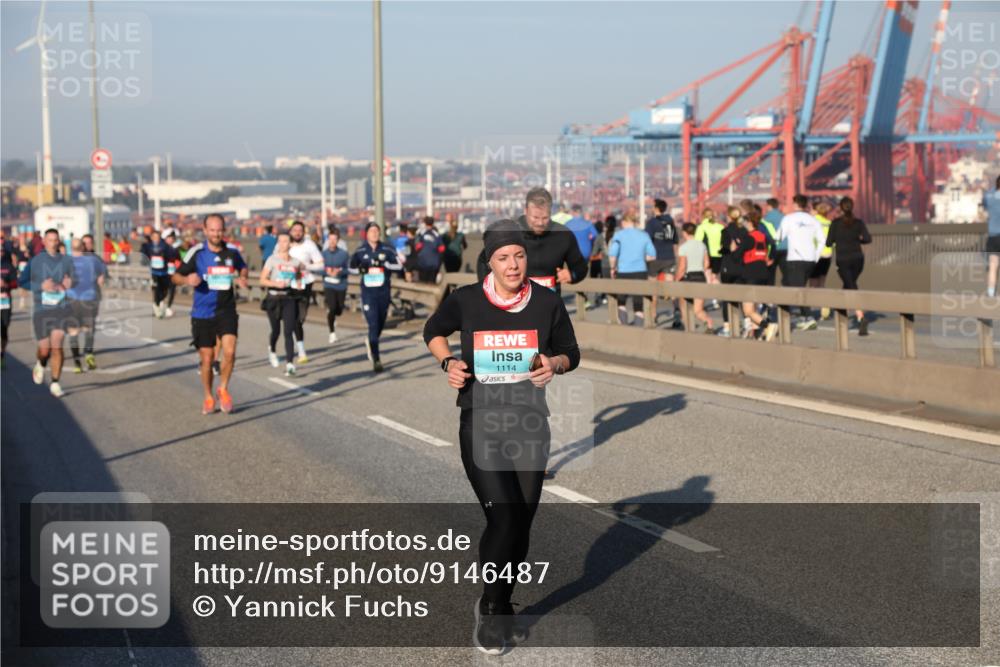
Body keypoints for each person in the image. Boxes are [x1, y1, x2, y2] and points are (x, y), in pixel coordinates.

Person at [423, 218, 580, 655]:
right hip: (481, 421)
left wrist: (556, 365)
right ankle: (492, 610)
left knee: (522, 522)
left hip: (530, 422)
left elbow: (572, 351)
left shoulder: (546, 302)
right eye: (503, 257)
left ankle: (501, 600)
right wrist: (448, 363)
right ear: (488, 262)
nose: (513, 265)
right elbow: (432, 331)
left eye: (519, 256)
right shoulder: (467, 300)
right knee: (505, 518)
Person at [173, 214, 248, 414]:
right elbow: (175, 276)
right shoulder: (196, 253)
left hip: (226, 309)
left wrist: (242, 278)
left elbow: (243, 268)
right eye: (212, 230)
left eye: (219, 230)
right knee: (207, 359)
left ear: (224, 230)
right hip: (202, 313)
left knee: (230, 352)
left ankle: (223, 388)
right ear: (205, 231)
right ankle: (208, 396)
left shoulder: (232, 252)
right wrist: (187, 280)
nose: (216, 234)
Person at [475, 188, 589, 294]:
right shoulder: (510, 231)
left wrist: (572, 275)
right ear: (526, 211)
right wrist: (490, 292)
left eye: (545, 218)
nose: (540, 223)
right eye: (535, 217)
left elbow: (581, 267)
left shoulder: (563, 235)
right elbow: (483, 261)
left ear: (550, 213)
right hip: (513, 305)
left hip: (548, 306)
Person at [19, 228, 75, 397]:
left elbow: (75, 280)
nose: (53, 242)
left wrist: (70, 283)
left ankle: (55, 383)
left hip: (60, 309)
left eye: (56, 240)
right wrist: (40, 287)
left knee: (57, 345)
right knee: (45, 350)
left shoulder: (67, 260)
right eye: (50, 240)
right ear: (44, 241)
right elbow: (22, 281)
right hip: (41, 310)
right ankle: (41, 363)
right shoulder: (35, 261)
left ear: (59, 241)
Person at [349, 223, 402, 373]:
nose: (374, 233)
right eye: (372, 231)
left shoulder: (387, 249)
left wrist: (385, 264)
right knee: (373, 324)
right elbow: (351, 268)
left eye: (377, 231)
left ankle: (371, 341)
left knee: (380, 322)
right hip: (368, 293)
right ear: (366, 234)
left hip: (384, 291)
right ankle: (376, 358)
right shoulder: (360, 251)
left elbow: (399, 266)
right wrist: (361, 268)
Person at [776, 194, 826, 330]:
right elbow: (822, 240)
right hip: (810, 260)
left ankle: (807, 317)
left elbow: (778, 237)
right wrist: (815, 256)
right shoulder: (813, 220)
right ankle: (801, 317)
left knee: (796, 289)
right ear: (806, 205)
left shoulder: (789, 218)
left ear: (795, 204)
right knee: (794, 285)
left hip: (795, 258)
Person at [260, 232, 307, 376]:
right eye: (279, 241)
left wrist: (299, 283)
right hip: (273, 298)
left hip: (288, 298)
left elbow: (299, 276)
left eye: (285, 241)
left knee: (289, 331)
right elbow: (262, 280)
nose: (282, 244)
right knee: (276, 331)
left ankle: (290, 364)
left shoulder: (295, 262)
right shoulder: (272, 260)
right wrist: (275, 283)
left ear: (290, 244)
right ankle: (272, 350)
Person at [826, 196, 873, 336]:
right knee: (849, 285)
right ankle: (843, 317)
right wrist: (857, 240)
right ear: (852, 207)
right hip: (858, 259)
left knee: (851, 286)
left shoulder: (835, 223)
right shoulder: (858, 223)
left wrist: (837, 239)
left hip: (843, 259)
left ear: (840, 208)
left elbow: (828, 243)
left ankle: (860, 316)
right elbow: (867, 239)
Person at [65, 238, 107, 373]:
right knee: (89, 328)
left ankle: (77, 362)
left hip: (71, 299)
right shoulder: (93, 260)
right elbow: (101, 280)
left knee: (73, 331)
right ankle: (88, 353)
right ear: (83, 247)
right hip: (89, 299)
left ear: (71, 247)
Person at [735, 208, 777, 340]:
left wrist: (735, 247)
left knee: (748, 310)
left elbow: (736, 256)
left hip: (750, 274)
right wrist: (770, 258)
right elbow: (773, 246)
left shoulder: (748, 237)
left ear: (749, 222)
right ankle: (755, 333)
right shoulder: (762, 236)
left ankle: (768, 325)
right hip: (763, 273)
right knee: (754, 307)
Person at [608, 212, 656, 326]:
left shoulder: (618, 235)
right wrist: (640, 258)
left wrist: (612, 268)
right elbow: (652, 255)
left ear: (624, 222)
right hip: (640, 272)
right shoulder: (644, 235)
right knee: (638, 304)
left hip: (623, 272)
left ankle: (624, 327)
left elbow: (613, 255)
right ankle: (638, 330)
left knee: (621, 301)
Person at [288, 220, 324, 364]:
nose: (297, 232)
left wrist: (305, 266)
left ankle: (299, 348)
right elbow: (274, 261)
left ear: (303, 232)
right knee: (291, 318)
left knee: (300, 319)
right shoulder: (283, 244)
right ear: (290, 231)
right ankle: (300, 352)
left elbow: (321, 265)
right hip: (287, 285)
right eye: (294, 230)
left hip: (305, 284)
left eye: (300, 230)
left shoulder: (310, 245)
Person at [674, 223, 714, 333]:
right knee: (698, 310)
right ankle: (709, 323)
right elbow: (707, 263)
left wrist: (676, 280)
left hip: (688, 278)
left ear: (684, 233)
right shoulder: (702, 245)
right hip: (700, 277)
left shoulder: (683, 247)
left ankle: (689, 329)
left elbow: (682, 267)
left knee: (683, 305)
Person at [645, 198, 679, 326]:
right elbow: (675, 241)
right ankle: (677, 314)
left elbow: (646, 240)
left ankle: (653, 316)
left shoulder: (652, 223)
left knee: (653, 289)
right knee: (671, 289)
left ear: (656, 208)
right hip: (669, 258)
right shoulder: (671, 222)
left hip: (655, 259)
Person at [716, 206, 745, 338]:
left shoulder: (726, 231)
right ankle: (747, 323)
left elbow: (725, 248)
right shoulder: (744, 230)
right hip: (742, 267)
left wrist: (721, 250)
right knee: (742, 298)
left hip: (728, 267)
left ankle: (728, 327)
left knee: (727, 298)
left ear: (728, 216)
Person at [321, 226, 350, 344]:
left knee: (339, 309)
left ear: (338, 241)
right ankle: (332, 333)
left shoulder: (343, 254)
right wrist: (326, 271)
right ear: (328, 240)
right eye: (330, 239)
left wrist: (340, 271)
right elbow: (317, 268)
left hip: (341, 284)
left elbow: (349, 269)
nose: (332, 242)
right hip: (328, 284)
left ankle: (333, 314)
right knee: (332, 307)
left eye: (334, 239)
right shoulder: (323, 254)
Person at [140, 229, 175, 319]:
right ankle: (156, 306)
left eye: (158, 237)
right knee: (156, 289)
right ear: (151, 237)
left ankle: (159, 302)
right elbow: (143, 256)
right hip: (154, 272)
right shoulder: (147, 246)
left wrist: (165, 256)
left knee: (164, 290)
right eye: (154, 237)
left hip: (163, 272)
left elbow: (171, 256)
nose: (156, 239)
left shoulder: (165, 246)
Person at [810, 200, 835, 318]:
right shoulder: (829, 223)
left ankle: (809, 311)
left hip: (816, 255)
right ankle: (824, 308)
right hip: (827, 255)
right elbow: (833, 241)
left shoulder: (813, 221)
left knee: (813, 283)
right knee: (822, 283)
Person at [1, 230, 22, 368]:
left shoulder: (8, 266)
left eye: (1, 250)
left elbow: (16, 283)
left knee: (4, 329)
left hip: (5, 301)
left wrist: (7, 284)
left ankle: (2, 354)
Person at [414, 216, 445, 284]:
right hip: (434, 263)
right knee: (432, 283)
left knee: (422, 283)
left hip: (422, 262)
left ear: (424, 223)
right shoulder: (437, 234)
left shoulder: (420, 233)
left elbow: (417, 247)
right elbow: (442, 248)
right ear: (433, 223)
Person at [983, 175, 1000, 298]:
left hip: (993, 236)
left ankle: (990, 294)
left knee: (993, 267)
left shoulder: (989, 196)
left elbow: (984, 206)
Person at [763, 198, 785, 285]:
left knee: (770, 272)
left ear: (769, 206)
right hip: (784, 247)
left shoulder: (767, 218)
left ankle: (770, 292)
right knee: (785, 273)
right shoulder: (783, 217)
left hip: (773, 247)